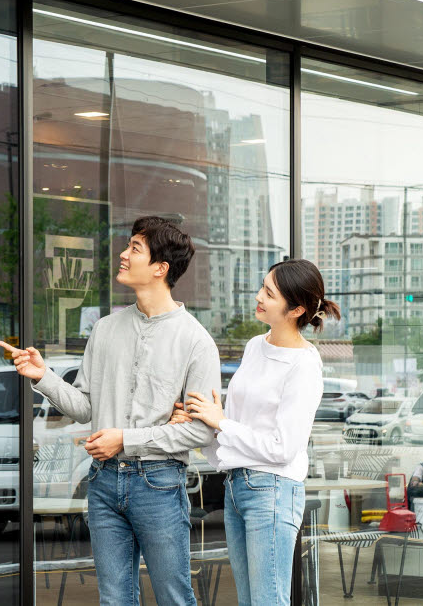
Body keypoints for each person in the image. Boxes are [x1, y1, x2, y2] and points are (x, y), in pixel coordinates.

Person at [0, 216, 220, 606]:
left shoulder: (196, 341)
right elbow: (84, 408)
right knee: (114, 599)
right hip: (102, 482)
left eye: (135, 247)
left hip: (160, 484)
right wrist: (43, 376)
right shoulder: (105, 328)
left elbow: (202, 432)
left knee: (174, 597)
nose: (123, 254)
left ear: (160, 268)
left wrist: (126, 439)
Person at [170, 258, 338, 606]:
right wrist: (200, 423)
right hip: (237, 486)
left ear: (296, 309)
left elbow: (283, 448)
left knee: (267, 601)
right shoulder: (254, 346)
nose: (259, 296)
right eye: (262, 286)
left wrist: (220, 423)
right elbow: (233, 427)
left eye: (270, 293)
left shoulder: (304, 365)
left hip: (273, 490)